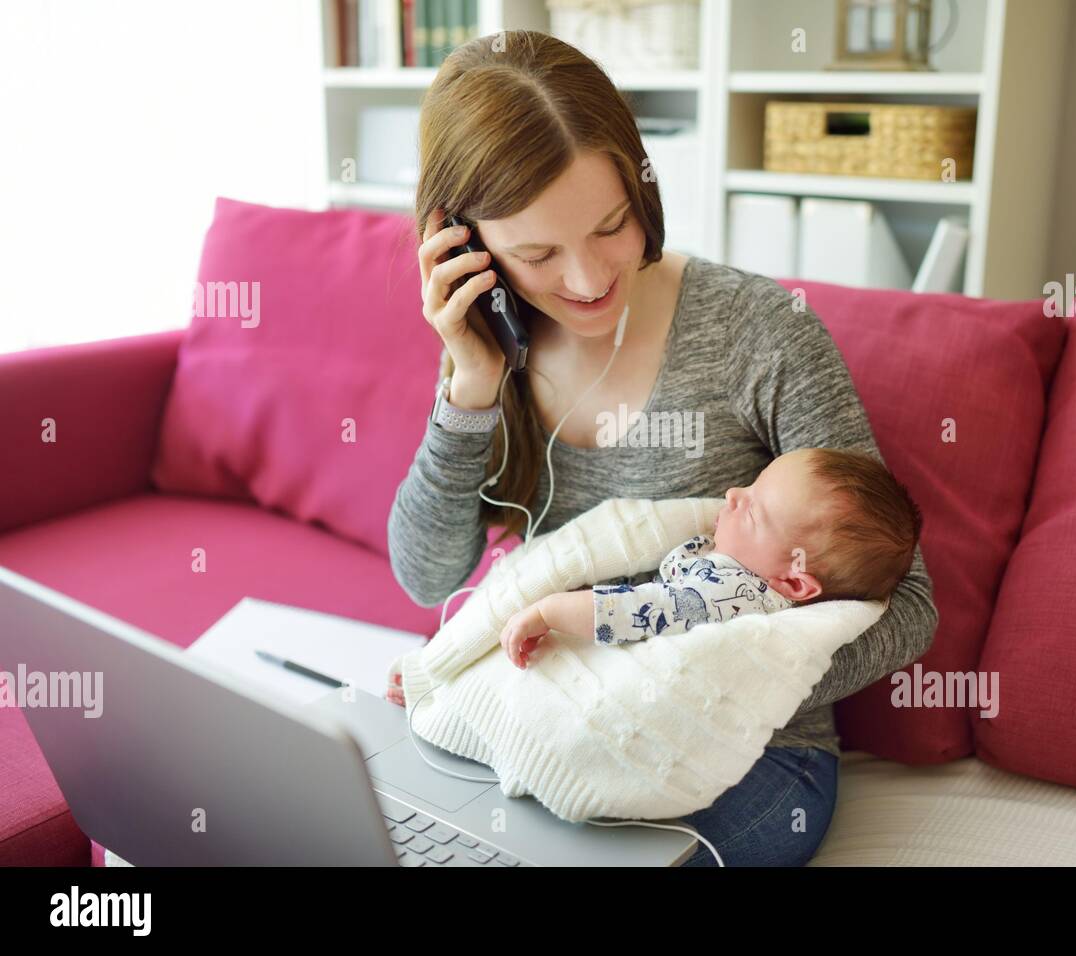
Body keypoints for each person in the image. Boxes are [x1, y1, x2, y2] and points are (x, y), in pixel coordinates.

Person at [386, 29, 938, 867]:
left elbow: (909, 608)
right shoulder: (491, 354)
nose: (585, 279)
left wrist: (703, 679)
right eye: (536, 253)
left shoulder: (759, 334)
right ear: (466, 246)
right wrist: (468, 386)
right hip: (551, 718)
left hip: (742, 754)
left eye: (610, 226)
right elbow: (426, 575)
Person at [496, 447, 920, 665]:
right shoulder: (744, 570)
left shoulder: (732, 593)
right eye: (751, 485)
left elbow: (639, 611)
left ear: (792, 582)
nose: (734, 495)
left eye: (753, 509)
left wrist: (550, 612)